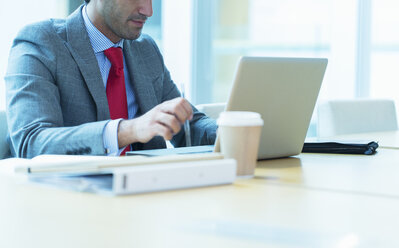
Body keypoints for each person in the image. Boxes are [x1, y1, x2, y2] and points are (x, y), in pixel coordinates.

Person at [5, 0, 217, 158]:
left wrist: (231, 130)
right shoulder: (40, 43)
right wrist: (130, 130)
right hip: (69, 201)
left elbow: (187, 126)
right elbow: (31, 143)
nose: (148, 10)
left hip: (146, 196)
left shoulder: (146, 50)